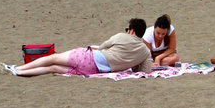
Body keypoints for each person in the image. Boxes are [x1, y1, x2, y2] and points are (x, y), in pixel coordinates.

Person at [12, 19, 152, 77]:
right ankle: (19, 73)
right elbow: (145, 71)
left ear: (132, 31)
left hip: (92, 58)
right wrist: (133, 64)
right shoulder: (145, 51)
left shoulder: (122, 36)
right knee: (52, 68)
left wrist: (89, 48)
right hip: (95, 70)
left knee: (53, 58)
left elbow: (103, 47)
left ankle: (19, 69)